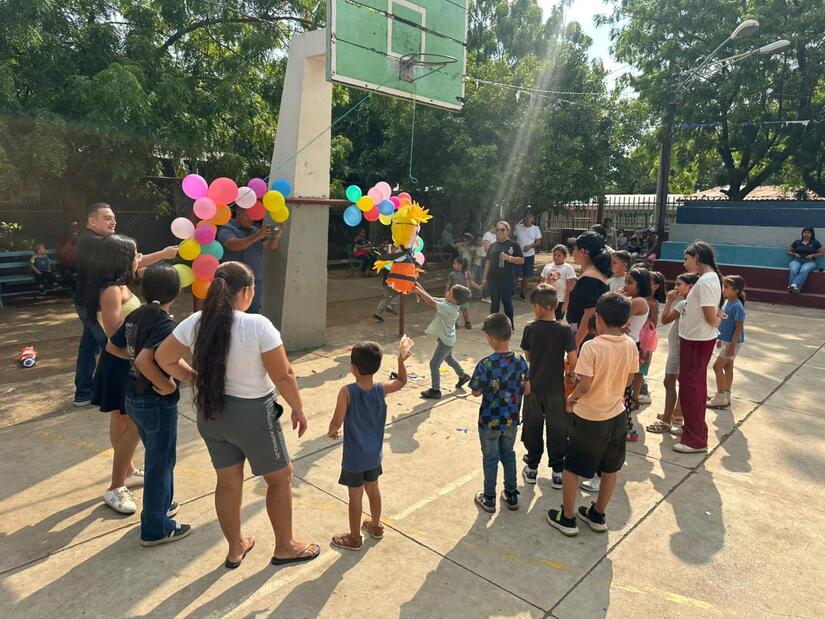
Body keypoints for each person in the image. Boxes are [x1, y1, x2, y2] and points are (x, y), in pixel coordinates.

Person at [156, 261, 320, 567]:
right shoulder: (257, 325)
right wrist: (297, 407)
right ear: (246, 290)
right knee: (280, 478)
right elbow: (283, 374)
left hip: (211, 412)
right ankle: (284, 546)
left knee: (228, 483)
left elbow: (164, 358)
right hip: (253, 414)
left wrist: (198, 379)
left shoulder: (195, 321)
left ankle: (235, 547)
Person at [108, 263, 193, 546]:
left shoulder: (136, 314)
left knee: (159, 457)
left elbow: (112, 346)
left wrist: (135, 362)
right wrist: (167, 385)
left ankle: (162, 505)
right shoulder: (165, 323)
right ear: (177, 291)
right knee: (161, 461)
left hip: (133, 397)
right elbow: (147, 359)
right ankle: (156, 527)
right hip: (155, 401)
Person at [547, 293, 638, 537]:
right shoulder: (629, 343)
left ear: (598, 318)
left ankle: (567, 518)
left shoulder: (592, 346)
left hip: (589, 417)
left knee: (572, 468)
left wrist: (571, 397)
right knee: (610, 468)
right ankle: (597, 514)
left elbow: (584, 384)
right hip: (616, 415)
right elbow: (629, 379)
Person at [72, 203, 176, 407]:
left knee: (90, 346)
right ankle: (112, 391)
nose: (114, 221)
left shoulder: (106, 257)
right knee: (112, 348)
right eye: (107, 218)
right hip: (92, 304)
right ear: (92, 221)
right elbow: (117, 343)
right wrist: (163, 253)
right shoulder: (94, 243)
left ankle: (85, 391)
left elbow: (129, 266)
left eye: (114, 217)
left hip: (90, 301)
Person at [327, 338, 411, 550]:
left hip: (354, 458)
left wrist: (332, 429)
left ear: (353, 368)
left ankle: (355, 538)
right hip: (374, 455)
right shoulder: (380, 389)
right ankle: (375, 525)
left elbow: (337, 420)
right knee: (373, 489)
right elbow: (401, 381)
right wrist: (401, 359)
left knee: (355, 496)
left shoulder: (347, 392)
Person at [85, 234, 144, 514]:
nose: (138, 257)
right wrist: (142, 360)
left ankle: (128, 470)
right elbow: (114, 336)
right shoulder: (111, 291)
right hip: (122, 364)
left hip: (127, 362)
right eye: (135, 253)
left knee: (122, 419)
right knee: (133, 422)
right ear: (122, 258)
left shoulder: (121, 286)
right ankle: (115, 487)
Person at [469, 313, 530, 512]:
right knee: (509, 455)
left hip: (489, 420)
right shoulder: (521, 362)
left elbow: (476, 392)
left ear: (491, 338)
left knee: (490, 458)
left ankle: (489, 497)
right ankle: (511, 495)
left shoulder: (486, 364)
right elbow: (527, 390)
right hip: (511, 419)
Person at [520, 285, 577, 488]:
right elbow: (572, 359)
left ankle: (533, 467)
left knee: (533, 426)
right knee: (558, 429)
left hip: (534, 387)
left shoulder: (530, 328)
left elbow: (528, 355)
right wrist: (570, 376)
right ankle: (557, 472)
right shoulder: (565, 330)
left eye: (535, 305)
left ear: (541, 307)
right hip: (556, 389)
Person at [675, 241, 722, 454]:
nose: (684, 264)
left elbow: (711, 318)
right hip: (694, 338)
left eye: (687, 259)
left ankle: (696, 438)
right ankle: (692, 428)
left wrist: (719, 319)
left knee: (691, 387)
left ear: (697, 257)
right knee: (693, 385)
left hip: (698, 340)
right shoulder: (707, 280)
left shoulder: (706, 282)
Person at [647, 273, 699, 435]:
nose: (676, 288)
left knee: (669, 382)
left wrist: (670, 301)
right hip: (679, 349)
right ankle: (674, 415)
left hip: (678, 351)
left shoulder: (684, 303)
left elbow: (665, 319)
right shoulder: (692, 303)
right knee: (677, 382)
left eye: (679, 284)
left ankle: (667, 420)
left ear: (690, 287)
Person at [218, 209, 283, 314]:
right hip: (232, 281)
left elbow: (270, 248)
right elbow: (233, 245)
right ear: (239, 213)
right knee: (230, 313)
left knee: (253, 313)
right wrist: (258, 236)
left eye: (254, 216)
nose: (252, 219)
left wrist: (276, 236)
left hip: (254, 281)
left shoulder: (255, 230)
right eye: (249, 216)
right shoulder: (227, 229)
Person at [415, 282, 472, 400]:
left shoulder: (449, 309)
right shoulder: (448, 303)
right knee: (449, 358)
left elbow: (430, 302)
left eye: (450, 293)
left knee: (434, 364)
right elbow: (430, 299)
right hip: (448, 339)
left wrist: (417, 290)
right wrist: (418, 286)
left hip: (445, 341)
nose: (446, 293)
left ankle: (435, 390)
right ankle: (463, 375)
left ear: (455, 301)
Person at [620, 267, 652, 442]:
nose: (626, 285)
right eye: (625, 281)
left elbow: (617, 315)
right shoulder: (632, 299)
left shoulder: (638, 301)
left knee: (624, 388)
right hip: (626, 345)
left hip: (629, 346)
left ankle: (628, 428)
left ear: (641, 286)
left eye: (630, 282)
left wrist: (618, 296)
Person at [566, 232, 611, 351]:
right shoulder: (596, 274)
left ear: (583, 252)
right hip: (586, 335)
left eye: (574, 248)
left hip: (586, 339)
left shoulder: (589, 279)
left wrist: (575, 345)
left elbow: (590, 313)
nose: (572, 252)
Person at [708, 276, 746, 409]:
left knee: (717, 367)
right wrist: (720, 338)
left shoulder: (737, 306)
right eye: (723, 286)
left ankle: (720, 397)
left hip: (732, 342)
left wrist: (732, 346)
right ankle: (725, 394)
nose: (723, 290)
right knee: (727, 367)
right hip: (727, 340)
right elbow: (723, 321)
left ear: (736, 290)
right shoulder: (727, 302)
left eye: (727, 288)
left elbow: (739, 327)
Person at [481, 221, 524, 328]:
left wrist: (508, 257)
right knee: (494, 302)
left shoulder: (514, 245)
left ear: (508, 231)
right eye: (498, 230)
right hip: (493, 277)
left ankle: (510, 325)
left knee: (506, 301)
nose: (500, 232)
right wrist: (484, 278)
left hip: (507, 277)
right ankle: (491, 325)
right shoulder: (493, 245)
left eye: (502, 230)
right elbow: (488, 262)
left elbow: (521, 260)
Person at [540, 244, 576, 320]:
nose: (556, 257)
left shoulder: (568, 268)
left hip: (560, 300)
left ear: (565, 256)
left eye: (559, 255)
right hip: (547, 299)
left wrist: (566, 303)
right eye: (554, 255)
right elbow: (541, 284)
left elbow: (570, 288)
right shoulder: (547, 267)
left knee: (557, 321)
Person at [446, 257, 482, 329]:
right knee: (454, 310)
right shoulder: (452, 274)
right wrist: (446, 292)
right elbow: (449, 283)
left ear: (460, 265)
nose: (453, 265)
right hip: (454, 295)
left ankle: (467, 321)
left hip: (463, 295)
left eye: (455, 263)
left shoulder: (467, 273)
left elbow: (471, 282)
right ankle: (454, 322)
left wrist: (479, 287)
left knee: (464, 309)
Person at [514, 212, 542, 300]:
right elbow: (513, 238)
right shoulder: (518, 227)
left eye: (529, 218)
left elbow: (538, 242)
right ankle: (511, 291)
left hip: (529, 255)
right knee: (515, 273)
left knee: (527, 275)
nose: (527, 219)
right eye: (525, 218)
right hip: (518, 255)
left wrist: (530, 246)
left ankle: (522, 292)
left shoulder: (536, 229)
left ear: (532, 220)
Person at [787, 227, 824, 293]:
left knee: (804, 270)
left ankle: (792, 287)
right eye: (805, 232)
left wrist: (812, 255)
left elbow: (823, 253)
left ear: (812, 234)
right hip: (797, 260)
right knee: (793, 269)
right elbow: (788, 251)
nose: (806, 234)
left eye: (808, 232)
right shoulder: (797, 242)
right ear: (802, 233)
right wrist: (794, 254)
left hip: (809, 262)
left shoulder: (815, 243)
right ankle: (795, 289)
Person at [480, 223, 497, 303]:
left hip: (494, 259)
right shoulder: (487, 235)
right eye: (497, 229)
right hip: (486, 258)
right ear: (493, 226)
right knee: (486, 277)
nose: (498, 231)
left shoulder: (495, 235)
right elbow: (487, 249)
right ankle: (485, 296)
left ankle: (490, 295)